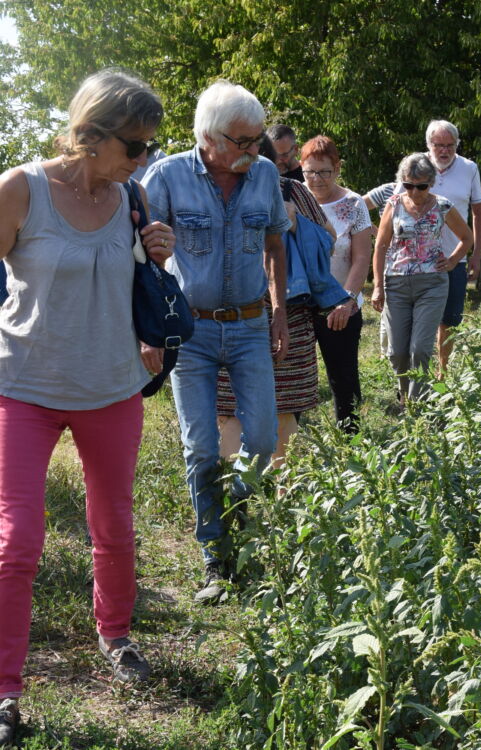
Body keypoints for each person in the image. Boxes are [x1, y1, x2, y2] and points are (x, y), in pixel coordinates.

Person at [0, 69, 175, 745]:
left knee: (115, 525)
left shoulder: (130, 195)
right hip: (24, 386)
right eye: (137, 146)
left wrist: (156, 253)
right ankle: (6, 691)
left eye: (151, 149)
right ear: (93, 135)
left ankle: (117, 635)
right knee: (16, 542)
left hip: (111, 386)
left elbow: (135, 280)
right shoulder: (21, 190)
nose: (144, 161)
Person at [142, 81, 290, 604]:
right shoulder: (166, 177)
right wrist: (149, 328)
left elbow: (275, 243)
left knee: (265, 441)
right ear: (209, 136)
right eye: (244, 141)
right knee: (202, 446)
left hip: (251, 325)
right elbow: (143, 260)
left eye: (257, 140)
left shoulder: (267, 175)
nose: (255, 151)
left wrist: (279, 311)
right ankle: (216, 558)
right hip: (194, 331)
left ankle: (238, 517)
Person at [217, 135, 355, 464]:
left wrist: (295, 223)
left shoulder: (292, 192)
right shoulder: (214, 189)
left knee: (281, 407)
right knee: (228, 407)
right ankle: (239, 495)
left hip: (287, 317)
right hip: (229, 318)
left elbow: (329, 240)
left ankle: (280, 490)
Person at [364, 119, 481, 373]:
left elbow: (478, 212)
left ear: (456, 144)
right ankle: (407, 378)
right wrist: (379, 236)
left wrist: (474, 255)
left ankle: (442, 372)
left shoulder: (469, 168)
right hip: (406, 268)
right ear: (428, 145)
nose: (443, 150)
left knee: (449, 320)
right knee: (406, 333)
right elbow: (393, 206)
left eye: (449, 145)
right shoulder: (414, 166)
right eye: (438, 145)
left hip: (450, 259)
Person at [372, 153, 473, 403]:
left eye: (421, 186)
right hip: (396, 283)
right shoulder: (393, 204)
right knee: (397, 352)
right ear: (402, 182)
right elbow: (381, 245)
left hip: (432, 284)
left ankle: (418, 405)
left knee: (420, 349)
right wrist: (377, 287)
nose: (415, 192)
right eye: (409, 185)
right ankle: (405, 395)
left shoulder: (442, 205)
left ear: (432, 182)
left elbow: (467, 238)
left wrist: (451, 261)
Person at [300, 135, 372, 431]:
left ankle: (351, 440)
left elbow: (361, 258)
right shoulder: (292, 200)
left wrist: (346, 300)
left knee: (343, 377)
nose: (317, 179)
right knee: (291, 378)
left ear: (337, 168)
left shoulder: (354, 204)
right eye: (310, 172)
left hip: (340, 307)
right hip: (298, 307)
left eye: (324, 172)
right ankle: (285, 440)